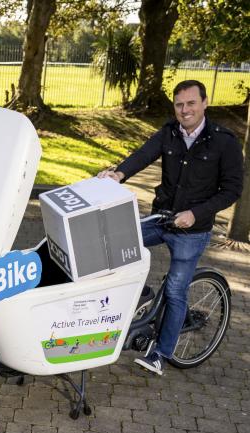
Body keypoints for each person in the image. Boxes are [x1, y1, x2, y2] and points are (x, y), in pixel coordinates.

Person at [99, 80, 243, 376]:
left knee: (177, 291)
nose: (185, 110)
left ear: (205, 103)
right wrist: (118, 174)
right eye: (179, 104)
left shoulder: (224, 142)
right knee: (115, 245)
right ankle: (143, 293)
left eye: (191, 103)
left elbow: (231, 190)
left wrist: (196, 213)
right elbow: (143, 155)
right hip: (162, 219)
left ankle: (160, 354)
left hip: (193, 230)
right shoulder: (169, 132)